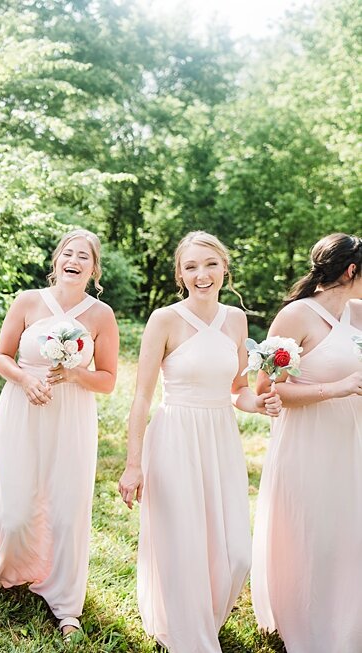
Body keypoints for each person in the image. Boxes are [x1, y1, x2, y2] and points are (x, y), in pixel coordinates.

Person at [118, 231, 280, 652]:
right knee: (183, 542)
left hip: (220, 437)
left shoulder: (237, 319)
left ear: (224, 267)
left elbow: (237, 389)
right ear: (180, 274)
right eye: (191, 266)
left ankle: (202, 617)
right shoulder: (165, 320)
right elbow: (141, 396)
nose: (201, 274)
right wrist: (133, 464)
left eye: (209, 264)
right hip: (175, 435)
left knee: (235, 552)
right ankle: (189, 637)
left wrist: (259, 404)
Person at [0, 229, 118, 640]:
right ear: (57, 260)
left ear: (93, 269)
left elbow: (109, 379)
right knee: (17, 505)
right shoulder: (27, 302)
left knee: (66, 506)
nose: (74, 261)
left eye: (84, 256)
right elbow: (0, 358)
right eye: (68, 253)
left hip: (71, 415)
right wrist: (26, 379)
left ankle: (66, 604)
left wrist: (76, 373)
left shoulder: (100, 315)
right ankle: (5, 571)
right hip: (23, 408)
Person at [251, 233, 362, 653]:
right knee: (314, 531)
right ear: (351, 271)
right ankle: (307, 621)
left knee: (350, 532)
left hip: (352, 440)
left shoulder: (359, 315)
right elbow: (266, 392)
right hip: (308, 442)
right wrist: (338, 388)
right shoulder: (296, 316)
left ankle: (348, 622)